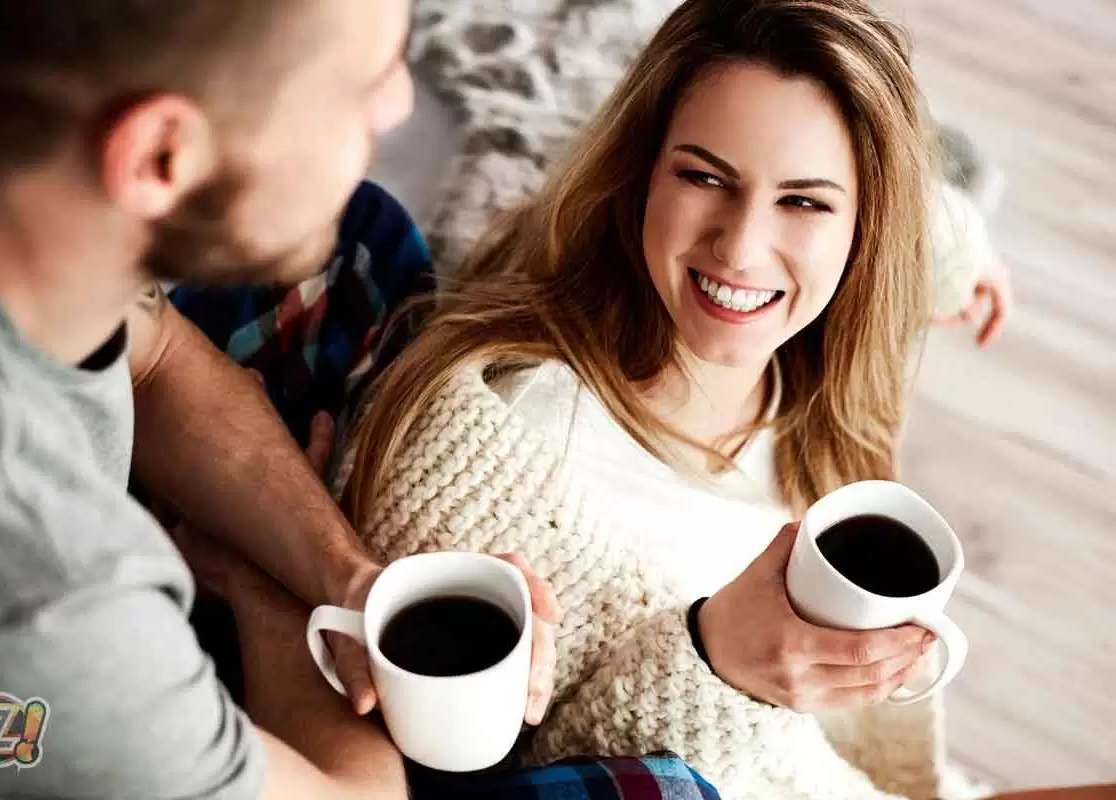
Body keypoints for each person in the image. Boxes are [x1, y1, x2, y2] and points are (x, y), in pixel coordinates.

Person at [339, 0, 1012, 797]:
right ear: (641, 174)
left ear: (868, 230)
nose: (740, 248)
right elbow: (526, 780)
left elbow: (923, 222)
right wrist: (720, 665)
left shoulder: (823, 370)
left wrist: (969, 261)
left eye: (804, 202)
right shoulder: (499, 463)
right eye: (702, 176)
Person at [0, 1, 560, 797]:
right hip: (35, 703)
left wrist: (352, 585)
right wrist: (269, 603)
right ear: (159, 155)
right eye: (363, 81)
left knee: (360, 238)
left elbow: (149, 359)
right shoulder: (44, 607)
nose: (400, 103)